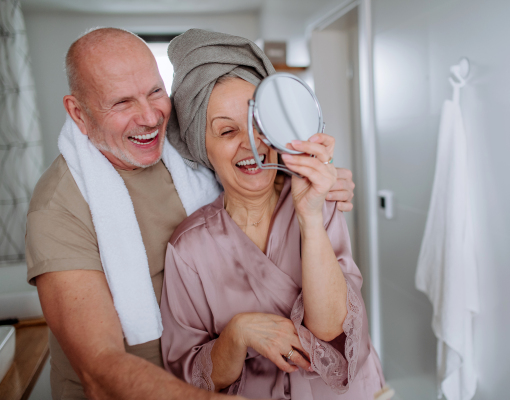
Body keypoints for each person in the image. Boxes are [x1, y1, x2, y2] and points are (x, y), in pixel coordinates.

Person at [25, 27, 356, 400]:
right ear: (77, 112)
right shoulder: (58, 208)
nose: (150, 118)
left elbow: (250, 158)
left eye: (154, 92)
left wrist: (324, 181)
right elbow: (100, 370)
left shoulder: (183, 151)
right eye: (121, 103)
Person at [160, 29, 384, 399]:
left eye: (259, 125)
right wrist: (237, 335)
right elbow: (189, 378)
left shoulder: (318, 204)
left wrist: (310, 217)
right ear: (203, 149)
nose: (251, 143)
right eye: (227, 131)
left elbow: (331, 329)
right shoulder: (189, 249)